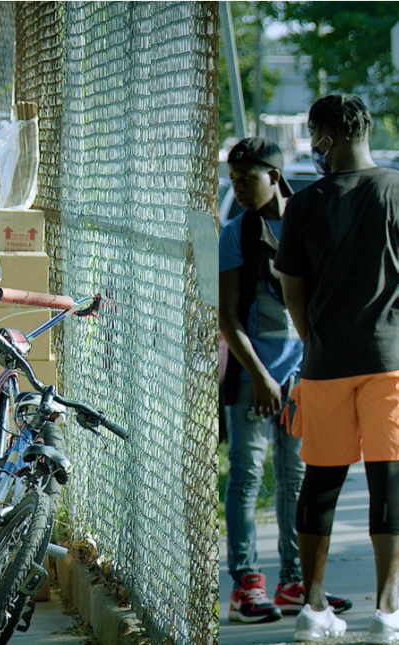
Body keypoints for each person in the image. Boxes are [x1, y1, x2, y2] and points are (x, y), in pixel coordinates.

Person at [277, 94, 399, 642]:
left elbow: (293, 292)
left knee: (321, 483)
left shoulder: (304, 204)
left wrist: (315, 342)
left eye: (313, 136)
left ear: (327, 136)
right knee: (389, 481)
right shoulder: (396, 190)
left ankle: (314, 609)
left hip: (325, 363)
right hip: (389, 362)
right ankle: (388, 612)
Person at [220, 138, 352, 624]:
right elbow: (229, 318)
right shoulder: (236, 233)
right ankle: (246, 587)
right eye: (233, 180)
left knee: (296, 478)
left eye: (246, 178)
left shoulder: (310, 221)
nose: (238, 187)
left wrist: (310, 371)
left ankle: (294, 583)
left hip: (303, 377)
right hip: (251, 379)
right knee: (247, 476)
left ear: (274, 176)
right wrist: (260, 377)